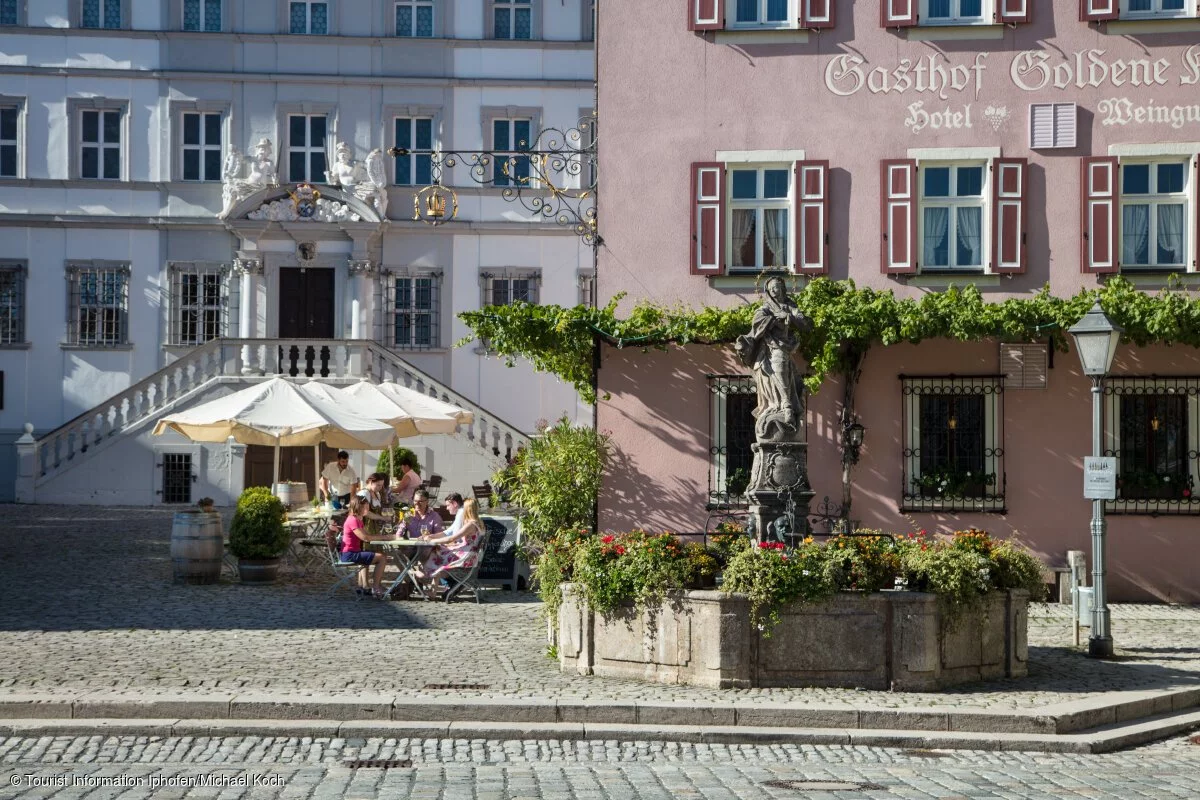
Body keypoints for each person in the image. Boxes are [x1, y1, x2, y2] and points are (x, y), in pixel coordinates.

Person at [733, 276, 813, 442]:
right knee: (778, 369)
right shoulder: (766, 308)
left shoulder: (790, 306)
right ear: (768, 291)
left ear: (783, 289)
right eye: (772, 288)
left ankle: (786, 405)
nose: (776, 290)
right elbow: (758, 321)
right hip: (770, 348)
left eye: (778, 287)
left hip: (785, 346)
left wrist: (794, 318)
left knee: (785, 370)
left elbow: (805, 323)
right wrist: (775, 320)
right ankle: (785, 405)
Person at [412, 497, 484, 600]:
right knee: (440, 550)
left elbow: (452, 538)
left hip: (466, 556)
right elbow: (465, 541)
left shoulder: (470, 524)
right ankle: (430, 586)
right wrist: (435, 539)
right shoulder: (479, 523)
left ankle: (424, 576)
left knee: (437, 552)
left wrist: (432, 541)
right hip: (471, 555)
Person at [338, 495, 389, 599]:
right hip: (349, 554)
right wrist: (385, 537)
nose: (367, 510)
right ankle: (376, 587)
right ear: (358, 507)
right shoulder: (353, 520)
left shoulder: (357, 519)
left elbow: (367, 536)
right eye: (365, 507)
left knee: (369, 553)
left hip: (352, 552)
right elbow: (365, 538)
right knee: (382, 557)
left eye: (367, 507)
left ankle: (364, 586)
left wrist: (381, 537)